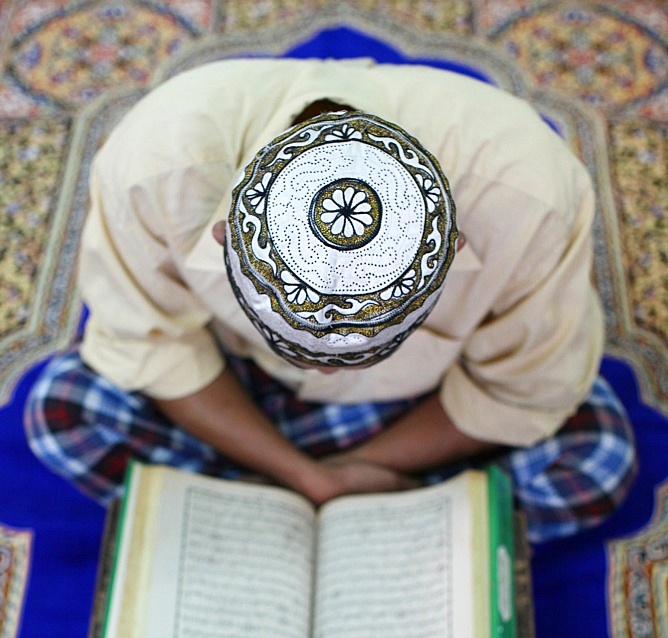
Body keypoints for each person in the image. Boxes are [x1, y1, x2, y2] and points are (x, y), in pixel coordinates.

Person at [25, 57, 636, 542]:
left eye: (361, 345)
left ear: (454, 247)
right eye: (295, 338)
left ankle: (247, 504)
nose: (315, 369)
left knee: (597, 456)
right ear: (222, 233)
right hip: (238, 384)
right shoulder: (155, 163)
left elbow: (522, 389)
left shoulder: (530, 196)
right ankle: (394, 517)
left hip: (424, 401)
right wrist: (311, 480)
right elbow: (154, 346)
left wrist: (339, 475)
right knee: (63, 408)